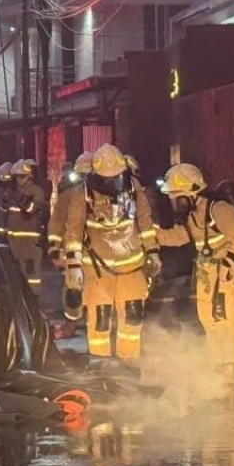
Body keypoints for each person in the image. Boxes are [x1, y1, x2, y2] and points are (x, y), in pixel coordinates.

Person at [60, 144, 162, 365]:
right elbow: (73, 231)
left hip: (131, 268)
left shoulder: (133, 187)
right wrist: (74, 268)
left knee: (132, 319)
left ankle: (129, 367)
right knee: (101, 320)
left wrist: (153, 252)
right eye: (106, 178)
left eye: (116, 177)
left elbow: (145, 221)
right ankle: (101, 368)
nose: (112, 182)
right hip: (98, 271)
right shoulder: (82, 193)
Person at [156, 163, 234, 385]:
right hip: (207, 272)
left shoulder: (219, 210)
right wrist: (148, 234)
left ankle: (232, 365)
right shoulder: (193, 215)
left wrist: (227, 265)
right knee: (207, 317)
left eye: (176, 197)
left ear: (190, 193)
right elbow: (179, 237)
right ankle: (218, 363)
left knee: (224, 316)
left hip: (226, 271)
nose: (174, 203)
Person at [51, 152, 93, 322]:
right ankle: (72, 319)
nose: (84, 180)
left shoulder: (100, 196)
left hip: (96, 250)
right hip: (73, 248)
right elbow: (57, 222)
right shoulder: (67, 196)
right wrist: (54, 247)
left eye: (87, 176)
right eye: (81, 176)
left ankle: (93, 316)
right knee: (72, 286)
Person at [0, 159, 51, 288]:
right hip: (14, 239)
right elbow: (2, 212)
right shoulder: (9, 191)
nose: (19, 179)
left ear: (29, 176)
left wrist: (20, 198)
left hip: (31, 240)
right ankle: (20, 296)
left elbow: (32, 209)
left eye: (22, 176)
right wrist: (4, 201)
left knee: (32, 273)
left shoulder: (37, 191)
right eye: (17, 176)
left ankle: (34, 296)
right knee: (15, 272)